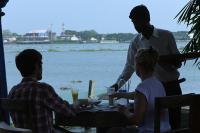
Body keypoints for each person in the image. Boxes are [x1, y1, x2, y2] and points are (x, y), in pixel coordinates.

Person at [111, 5, 182, 129]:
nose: (135, 26)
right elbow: (129, 67)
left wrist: (162, 61)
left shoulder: (166, 36)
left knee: (174, 124)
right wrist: (116, 86)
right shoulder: (135, 42)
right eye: (133, 22)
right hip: (151, 89)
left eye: (137, 21)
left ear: (147, 18)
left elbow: (178, 63)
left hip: (171, 87)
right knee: (157, 124)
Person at [8, 49, 76, 133]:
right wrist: (76, 105)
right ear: (37, 66)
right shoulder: (43, 89)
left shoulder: (13, 91)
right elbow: (68, 112)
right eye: (41, 64)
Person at [109, 48, 170, 133]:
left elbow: (136, 120)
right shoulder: (158, 83)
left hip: (149, 131)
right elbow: (142, 96)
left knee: (114, 131)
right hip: (164, 130)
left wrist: (124, 111)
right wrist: (119, 94)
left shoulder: (142, 87)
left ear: (138, 65)